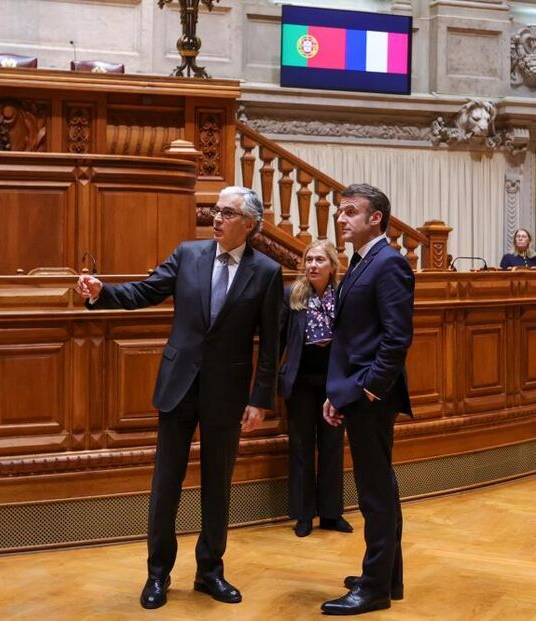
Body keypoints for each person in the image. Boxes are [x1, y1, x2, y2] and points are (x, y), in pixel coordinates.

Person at [75, 187, 282, 610]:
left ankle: (210, 571)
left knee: (217, 485)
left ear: (249, 224)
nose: (216, 219)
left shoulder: (267, 272)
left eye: (227, 213)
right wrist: (102, 292)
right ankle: (157, 574)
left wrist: (260, 398)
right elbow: (147, 291)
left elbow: (271, 342)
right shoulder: (188, 254)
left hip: (227, 392)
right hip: (178, 385)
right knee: (165, 484)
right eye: (215, 211)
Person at [320, 184, 414, 616]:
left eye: (350, 212)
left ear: (376, 218)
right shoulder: (361, 261)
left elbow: (397, 338)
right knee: (379, 489)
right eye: (340, 212)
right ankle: (387, 576)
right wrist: (338, 393)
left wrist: (370, 390)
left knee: (375, 493)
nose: (341, 218)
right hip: (356, 390)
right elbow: (353, 337)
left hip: (372, 396)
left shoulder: (389, 262)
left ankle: (374, 588)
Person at [279, 240, 352, 538]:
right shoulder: (291, 295)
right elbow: (278, 338)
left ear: (332, 266)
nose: (312, 265)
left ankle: (332, 513)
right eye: (308, 260)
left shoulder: (344, 295)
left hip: (333, 382)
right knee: (301, 447)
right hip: (300, 382)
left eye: (319, 260)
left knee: (332, 446)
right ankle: (304, 514)